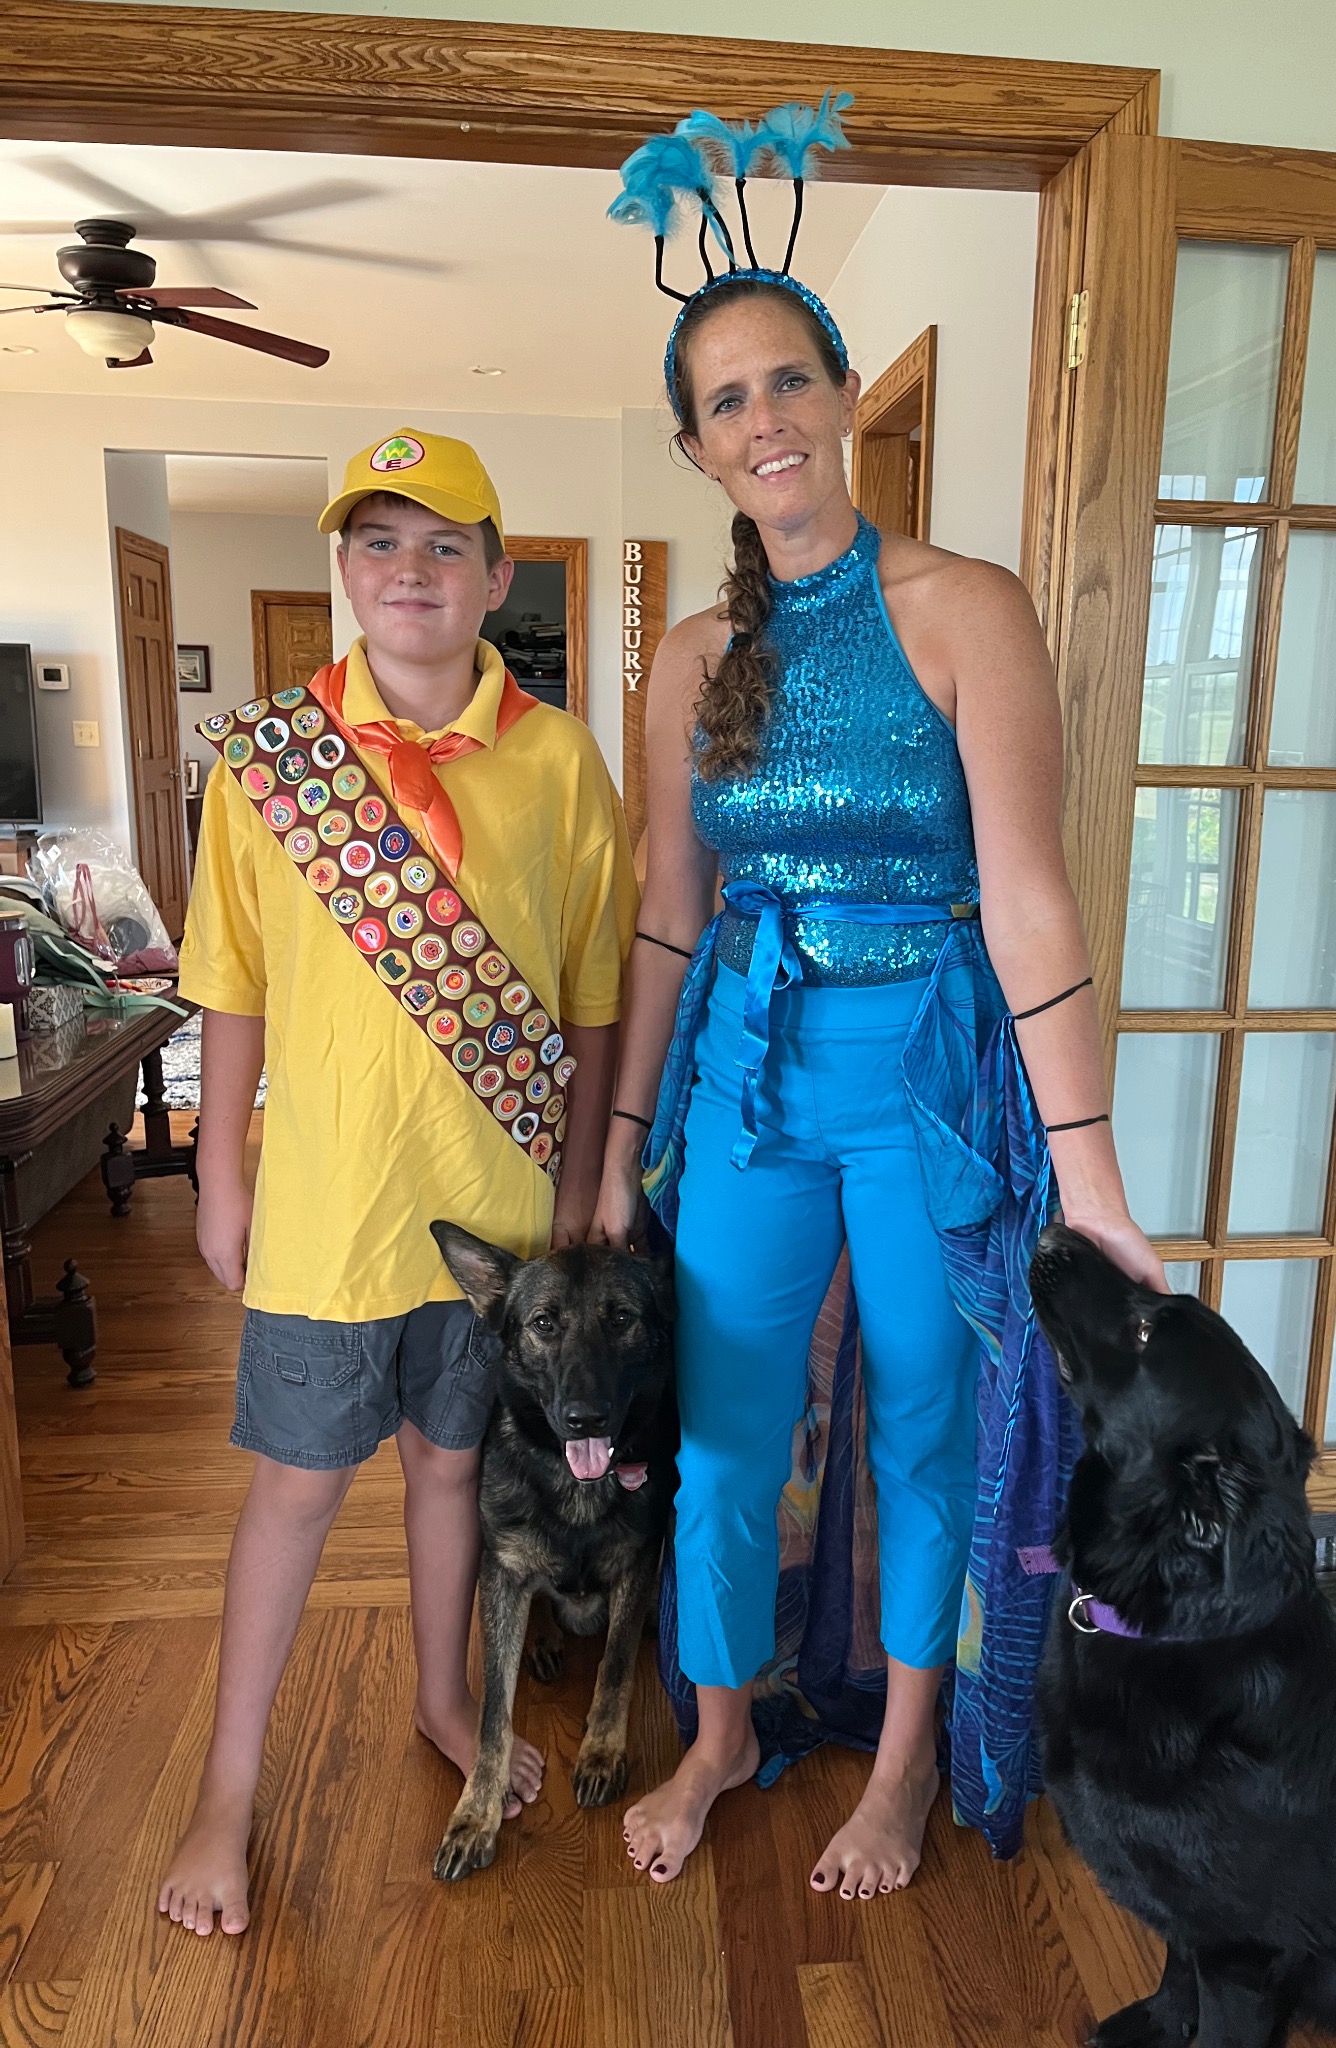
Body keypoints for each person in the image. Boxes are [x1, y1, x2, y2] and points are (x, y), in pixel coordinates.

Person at [593, 104, 1163, 1904]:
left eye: (789, 380)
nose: (764, 419)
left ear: (842, 396)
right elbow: (668, 921)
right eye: (727, 402)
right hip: (746, 1079)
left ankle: (905, 1764)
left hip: (927, 1077)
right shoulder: (690, 656)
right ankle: (719, 1734)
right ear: (696, 447)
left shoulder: (965, 607)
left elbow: (1031, 896)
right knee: (720, 1439)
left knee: (926, 1423)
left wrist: (1093, 1181)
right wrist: (616, 1155)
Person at [159, 429, 637, 1937]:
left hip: (498, 1226)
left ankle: (443, 1700)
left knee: (450, 1469)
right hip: (325, 1206)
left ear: (496, 577)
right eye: (378, 541)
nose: (410, 569)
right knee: (298, 1488)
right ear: (343, 573)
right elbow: (231, 984)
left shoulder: (561, 760)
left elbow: (597, 999)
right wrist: (216, 1173)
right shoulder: (269, 759)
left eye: (444, 545)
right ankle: (226, 1794)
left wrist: (581, 1188)